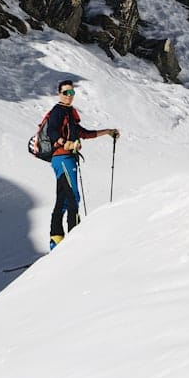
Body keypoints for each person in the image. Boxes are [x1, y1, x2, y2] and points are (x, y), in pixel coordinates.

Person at [46, 79, 119, 250]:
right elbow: (51, 131)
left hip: (67, 158)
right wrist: (66, 143)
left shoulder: (69, 113)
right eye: (66, 93)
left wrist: (107, 132)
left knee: (63, 198)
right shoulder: (58, 111)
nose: (69, 96)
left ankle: (56, 239)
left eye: (72, 93)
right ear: (59, 94)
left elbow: (82, 133)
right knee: (73, 196)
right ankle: (73, 239)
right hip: (62, 158)